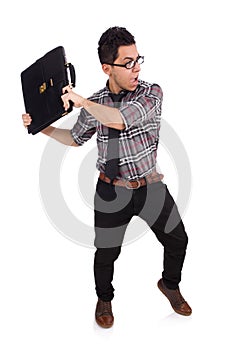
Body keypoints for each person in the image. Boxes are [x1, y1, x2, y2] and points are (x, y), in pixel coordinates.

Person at [22, 26, 192, 328]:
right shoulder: (96, 103)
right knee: (106, 254)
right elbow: (75, 138)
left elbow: (120, 119)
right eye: (127, 62)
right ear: (107, 68)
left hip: (150, 186)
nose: (136, 67)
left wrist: (83, 103)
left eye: (138, 59)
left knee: (178, 240)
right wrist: (41, 127)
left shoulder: (151, 93)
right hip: (110, 190)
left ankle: (170, 284)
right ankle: (104, 298)